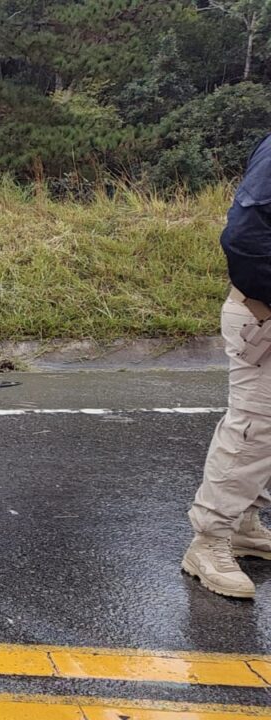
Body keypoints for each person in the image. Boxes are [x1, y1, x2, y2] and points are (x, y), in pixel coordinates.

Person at [184, 134, 271, 599]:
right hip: (263, 319)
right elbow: (244, 236)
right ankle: (209, 542)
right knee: (254, 429)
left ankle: (244, 524)